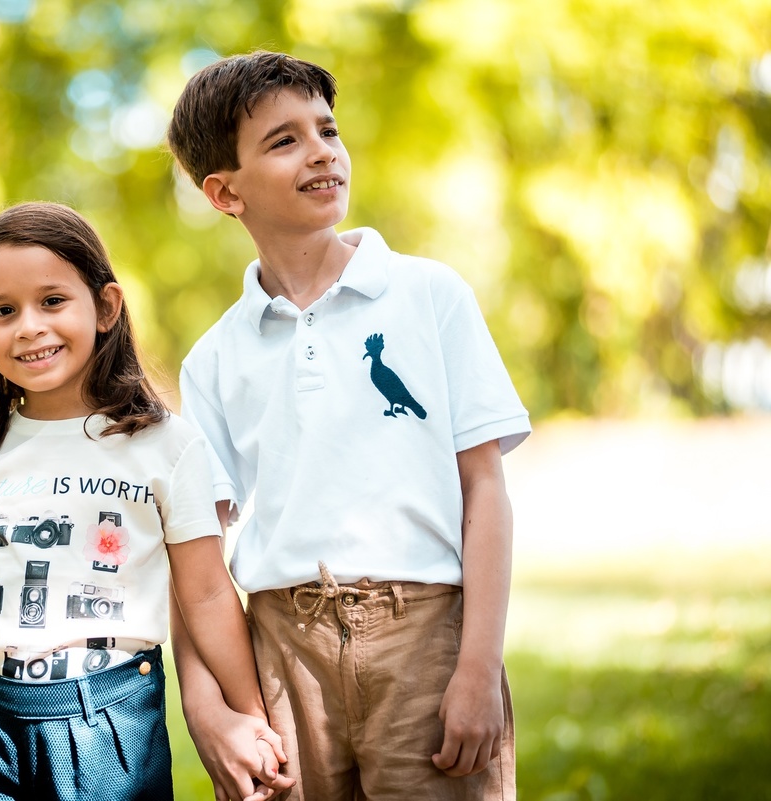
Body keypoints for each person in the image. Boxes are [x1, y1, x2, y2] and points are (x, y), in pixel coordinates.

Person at [165, 51, 531, 800]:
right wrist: (208, 708)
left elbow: (485, 490)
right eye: (285, 140)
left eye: (328, 129)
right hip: (283, 652)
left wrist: (477, 668)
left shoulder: (431, 296)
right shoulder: (213, 360)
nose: (322, 150)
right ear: (224, 192)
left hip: (427, 638)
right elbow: (195, 558)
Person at [0, 201, 288, 801]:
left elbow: (204, 591)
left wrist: (250, 713)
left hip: (105, 719)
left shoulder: (164, 444)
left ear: (105, 307)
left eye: (52, 301)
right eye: (3, 310)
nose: (29, 326)